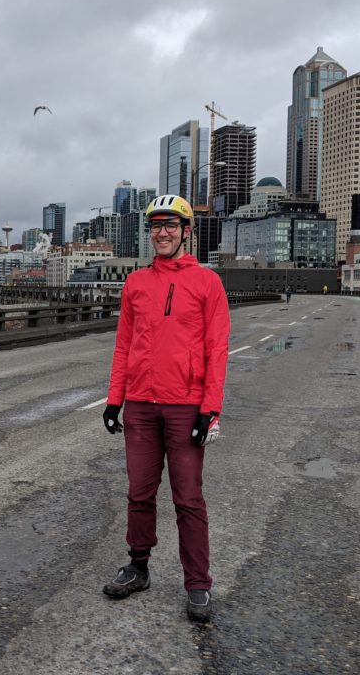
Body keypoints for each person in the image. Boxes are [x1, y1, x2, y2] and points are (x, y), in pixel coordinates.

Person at [101, 194, 231, 623]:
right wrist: (114, 399)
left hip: (184, 406)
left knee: (188, 498)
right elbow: (124, 345)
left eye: (171, 225)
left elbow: (217, 350)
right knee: (139, 493)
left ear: (186, 231)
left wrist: (209, 409)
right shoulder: (136, 283)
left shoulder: (207, 283)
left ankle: (198, 584)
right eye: (156, 225)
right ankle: (138, 568)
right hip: (139, 405)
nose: (162, 232)